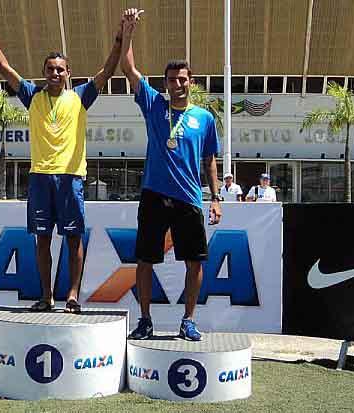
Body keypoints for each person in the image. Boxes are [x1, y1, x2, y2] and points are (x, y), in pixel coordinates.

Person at [0, 12, 123, 314]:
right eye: (50, 69)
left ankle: (72, 295)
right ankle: (47, 297)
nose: (55, 74)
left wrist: (120, 37)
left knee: (73, 239)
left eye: (60, 70)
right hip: (40, 178)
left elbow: (108, 70)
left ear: (68, 73)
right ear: (44, 72)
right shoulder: (32, 95)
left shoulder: (80, 97)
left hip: (71, 178)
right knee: (42, 240)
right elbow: (4, 68)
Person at [120, 9, 221, 341]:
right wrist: (129, 32)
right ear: (164, 83)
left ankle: (188, 320)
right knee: (145, 261)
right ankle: (145, 320)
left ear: (191, 82)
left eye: (183, 79)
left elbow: (209, 161)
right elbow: (129, 69)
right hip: (153, 195)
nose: (177, 84)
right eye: (172, 80)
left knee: (194, 262)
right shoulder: (154, 105)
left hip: (189, 198)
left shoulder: (204, 118)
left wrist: (216, 197)